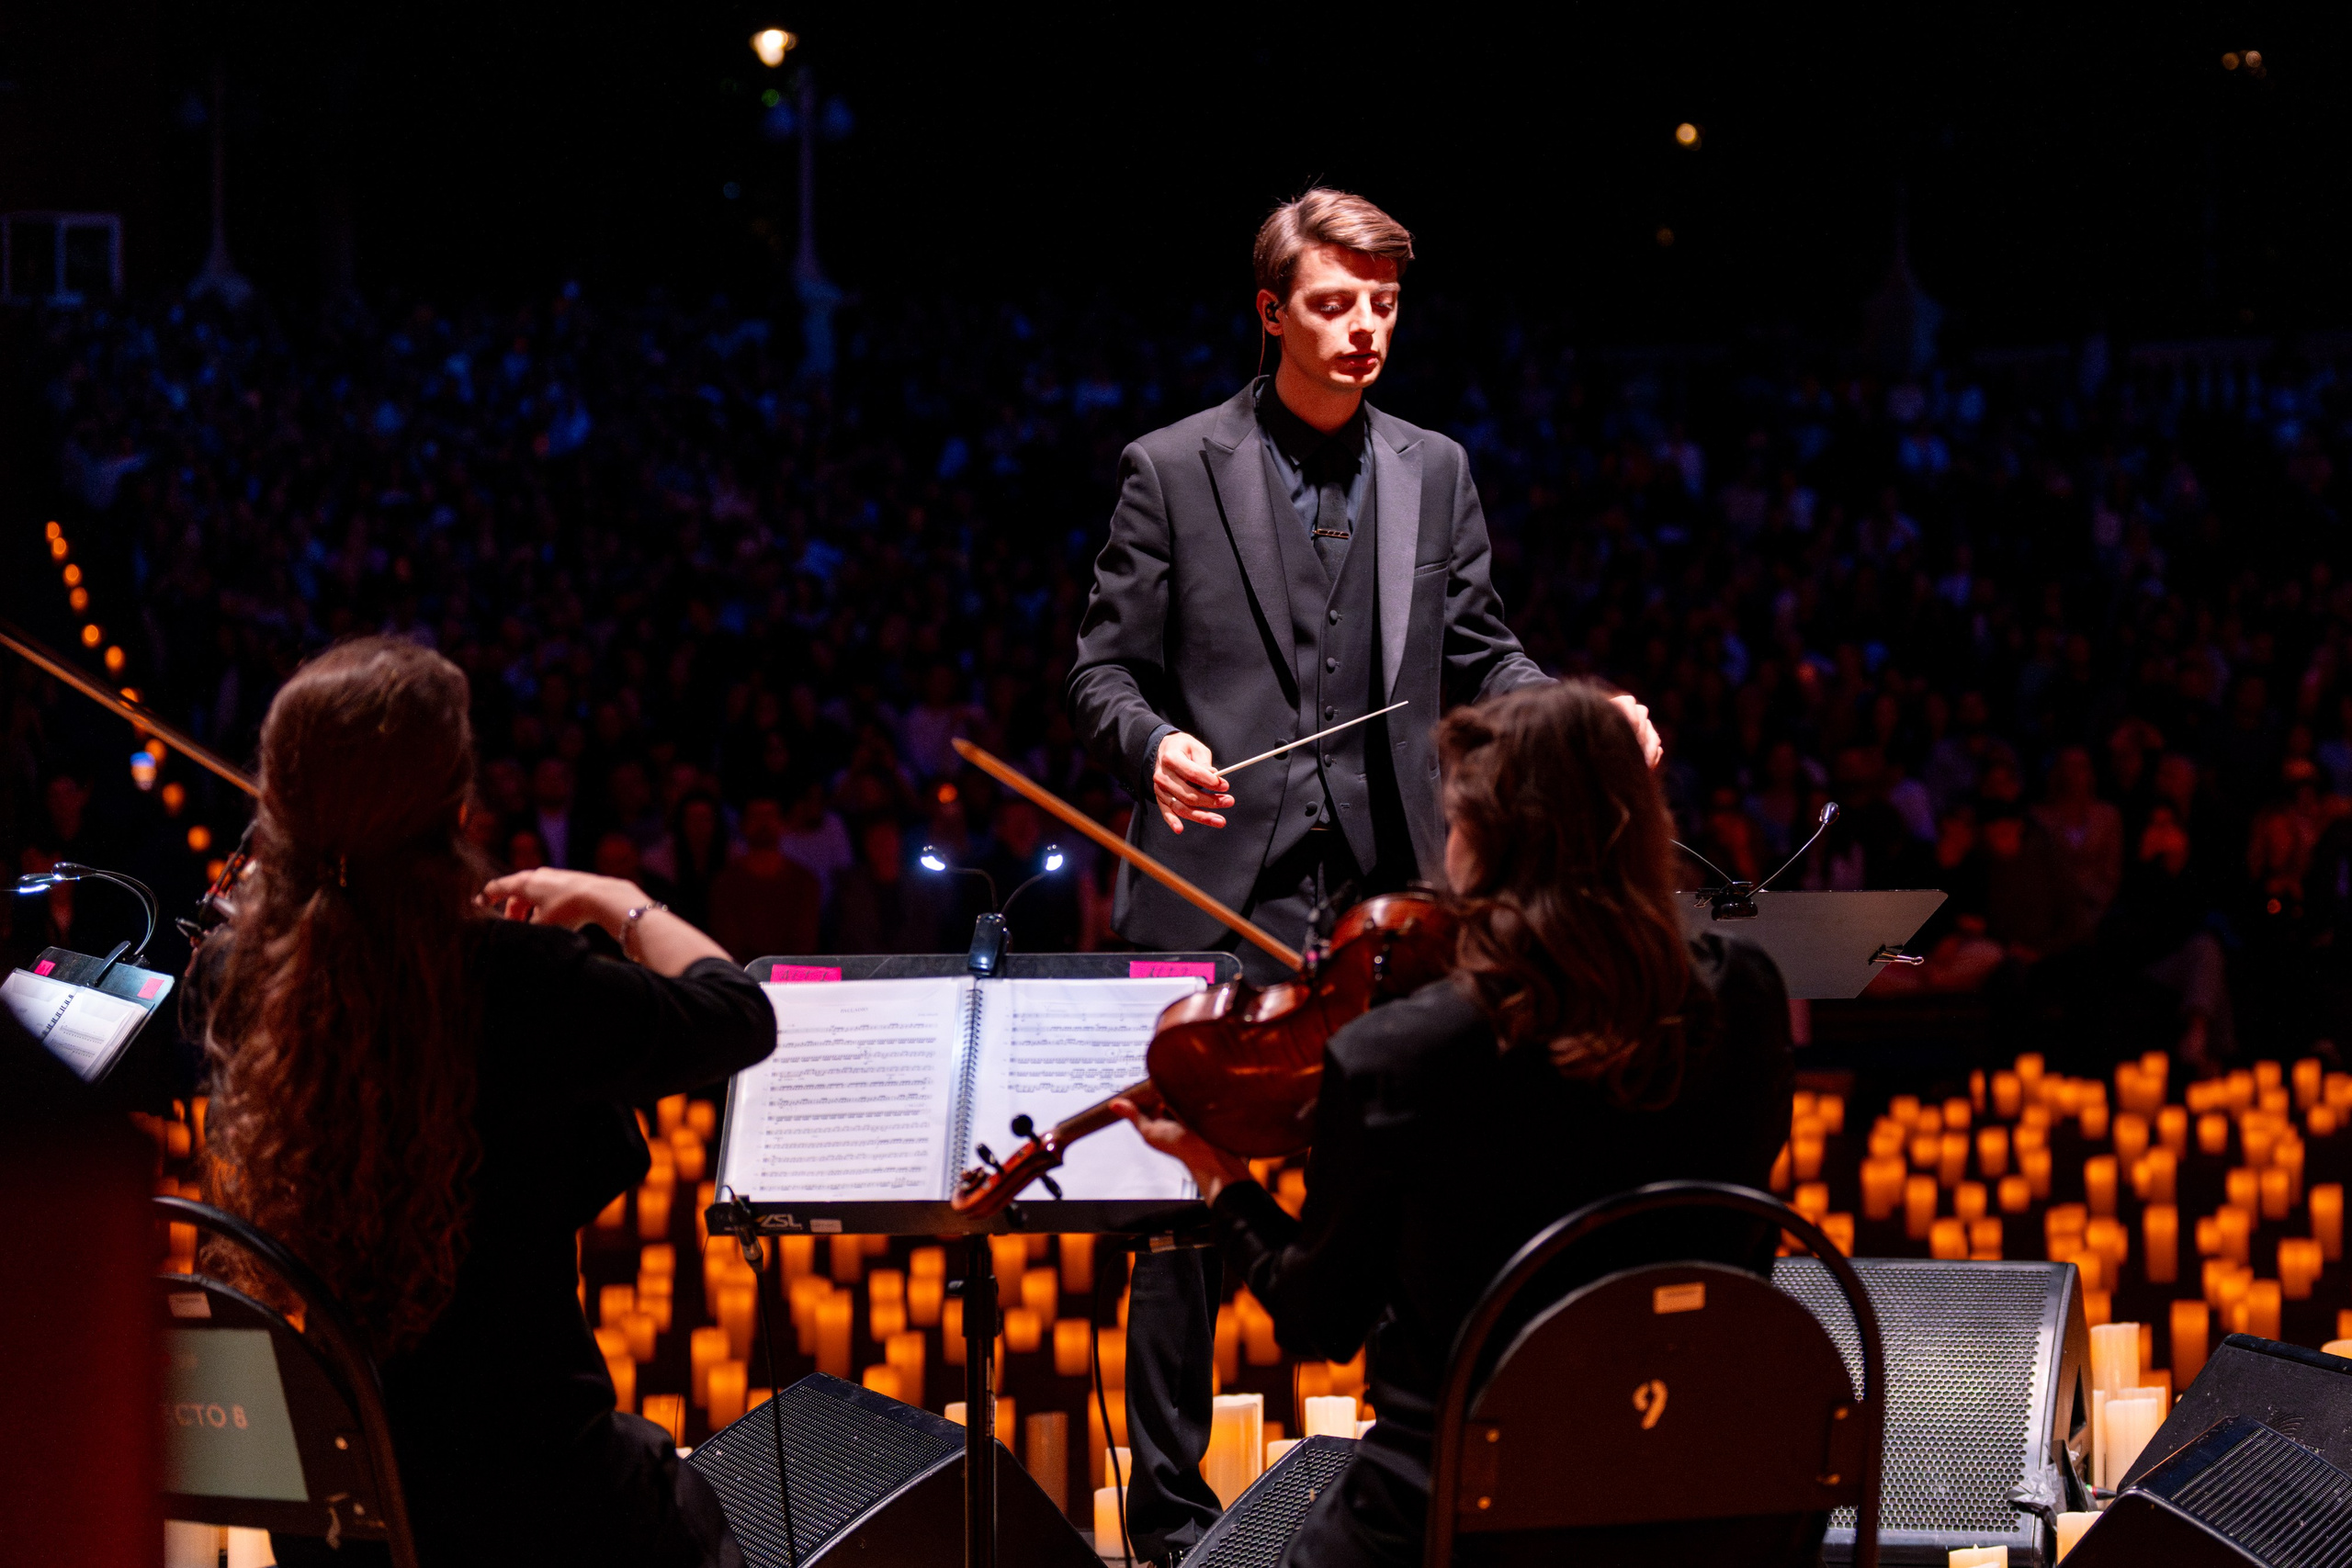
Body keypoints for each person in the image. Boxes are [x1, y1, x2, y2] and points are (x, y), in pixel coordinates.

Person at [1069, 188, 1659, 1564]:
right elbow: (1102, 670)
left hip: (1391, 896)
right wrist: (1154, 744)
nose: (1365, 330)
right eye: (1337, 304)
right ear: (1272, 310)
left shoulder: (1434, 468)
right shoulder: (1171, 466)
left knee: (1407, 1178)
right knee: (1179, 1203)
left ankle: (1404, 1474)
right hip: (1217, 881)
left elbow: (1480, 650)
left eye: (1384, 305)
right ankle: (1165, 1518)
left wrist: (1586, 708)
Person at [1116, 680, 1794, 1568]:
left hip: (1466, 1514)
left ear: (1486, 844)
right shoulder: (1747, 997)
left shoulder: (1402, 1054)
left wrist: (1220, 1178)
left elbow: (1324, 1319)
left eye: (1456, 823)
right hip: (1707, 1500)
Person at [194, 637, 772, 1568]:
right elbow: (737, 1014)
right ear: (454, 804)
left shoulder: (250, 978)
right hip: (543, 1487)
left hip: (350, 1498)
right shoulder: (515, 978)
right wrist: (616, 901)